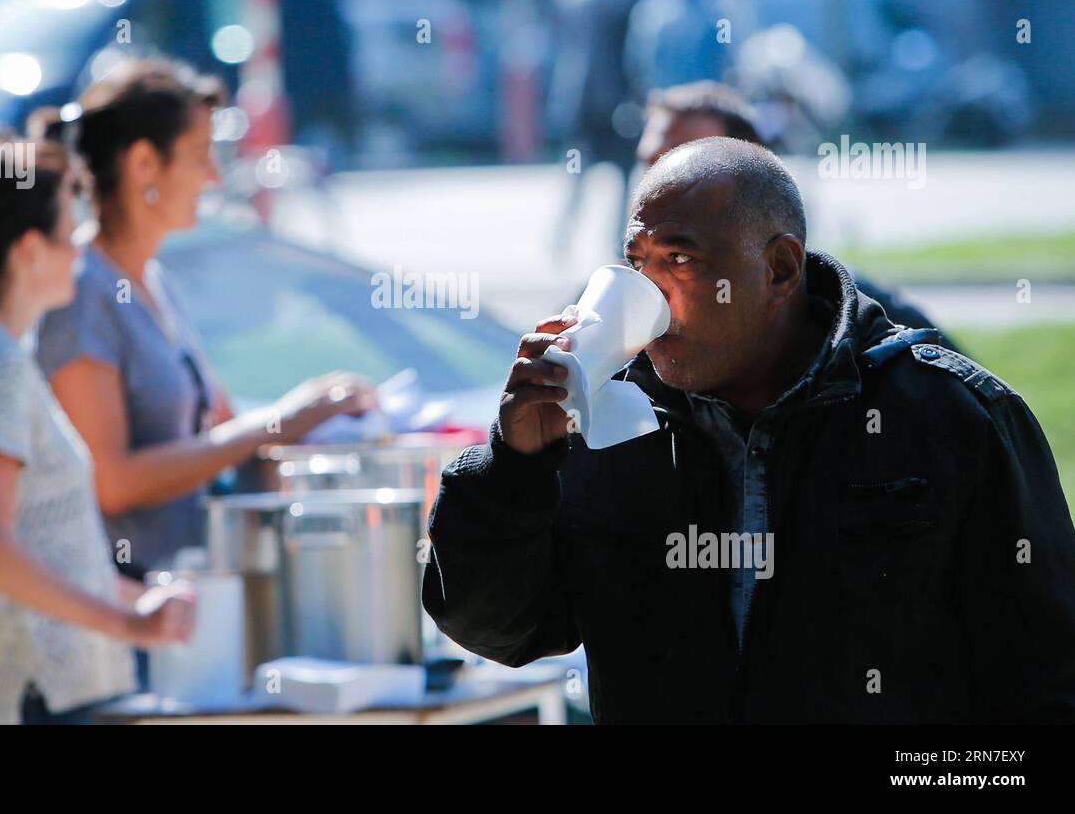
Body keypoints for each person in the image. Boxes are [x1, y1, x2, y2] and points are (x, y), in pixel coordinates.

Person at [423, 137, 1075, 723]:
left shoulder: (949, 417)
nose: (650, 293)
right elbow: (502, 630)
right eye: (636, 261)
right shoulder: (603, 417)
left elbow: (1046, 682)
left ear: (781, 270)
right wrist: (516, 465)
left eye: (680, 259)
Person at [36, 58, 374, 581]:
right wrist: (284, 418)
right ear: (144, 163)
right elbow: (112, 481)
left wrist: (317, 412)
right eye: (200, 156)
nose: (214, 176)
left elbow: (218, 429)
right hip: (130, 614)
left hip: (184, 599)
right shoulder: (82, 292)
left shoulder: (151, 279)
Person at [0, 130, 195, 725]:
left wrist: (140, 604)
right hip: (23, 704)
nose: (80, 254)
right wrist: (127, 623)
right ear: (29, 250)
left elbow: (44, 550)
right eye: (68, 236)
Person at [635, 80, 956, 349]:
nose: (657, 187)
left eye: (686, 168)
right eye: (651, 164)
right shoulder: (609, 306)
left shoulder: (856, 313)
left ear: (752, 172)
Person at [546, 0, 646, 245]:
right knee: (624, 172)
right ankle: (618, 239)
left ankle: (563, 231)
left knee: (577, 169)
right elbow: (629, 52)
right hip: (614, 98)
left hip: (576, 96)